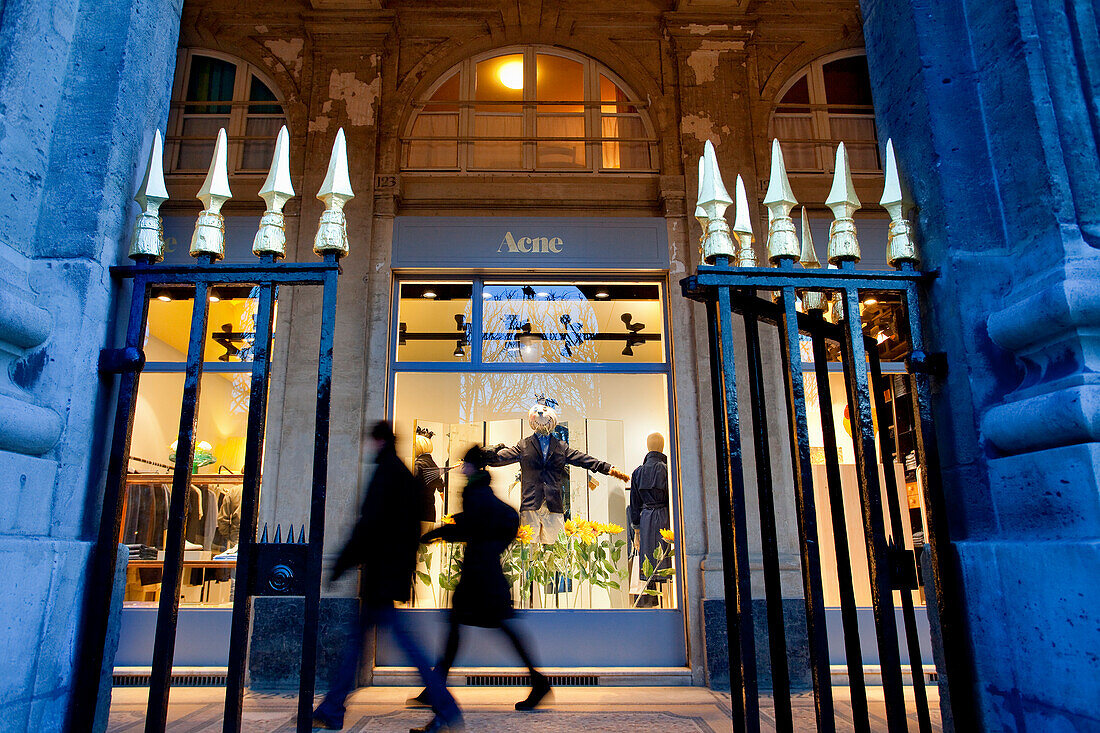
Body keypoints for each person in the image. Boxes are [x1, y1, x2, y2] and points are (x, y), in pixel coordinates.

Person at [312, 421, 462, 732]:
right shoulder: (401, 473)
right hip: (388, 574)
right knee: (369, 644)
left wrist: (341, 563)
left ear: (378, 441)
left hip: (381, 575)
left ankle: (445, 707)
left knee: (395, 647)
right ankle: (333, 706)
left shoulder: (388, 474)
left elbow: (369, 526)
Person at [408, 445, 551, 722]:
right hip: (482, 572)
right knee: (473, 628)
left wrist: (437, 533)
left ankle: (539, 681)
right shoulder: (480, 492)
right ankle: (437, 687)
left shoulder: (476, 493)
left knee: (478, 628)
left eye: (464, 463)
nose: (461, 467)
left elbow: (473, 525)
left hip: (481, 576)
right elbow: (487, 521)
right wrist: (491, 544)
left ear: (472, 467)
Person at [628, 433, 671, 608]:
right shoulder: (668, 470)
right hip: (664, 518)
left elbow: (634, 504)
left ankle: (659, 602)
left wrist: (636, 532)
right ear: (662, 447)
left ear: (648, 447)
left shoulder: (638, 472)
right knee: (666, 559)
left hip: (646, 520)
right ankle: (668, 604)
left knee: (649, 563)